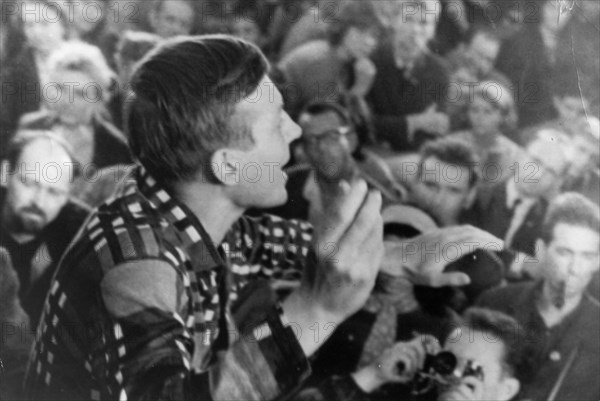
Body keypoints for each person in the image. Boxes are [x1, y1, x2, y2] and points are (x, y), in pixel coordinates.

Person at [478, 193, 600, 401]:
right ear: (541, 251)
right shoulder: (493, 304)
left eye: (587, 256)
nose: (575, 269)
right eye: (565, 253)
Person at [0, 131, 90, 327]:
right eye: (30, 183)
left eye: (54, 192)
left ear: (68, 195)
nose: (38, 202)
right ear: (5, 174)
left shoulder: (83, 234)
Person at [266, 102, 405, 221]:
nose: (321, 148)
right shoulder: (283, 186)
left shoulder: (378, 201)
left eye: (331, 136)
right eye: (311, 140)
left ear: (351, 141)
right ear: (304, 150)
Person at [467, 130, 570, 258]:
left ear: (557, 181)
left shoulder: (550, 223)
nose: (537, 175)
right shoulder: (477, 195)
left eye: (550, 171)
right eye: (536, 161)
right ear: (521, 156)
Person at [367, 0, 451, 152]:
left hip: (414, 156)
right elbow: (364, 123)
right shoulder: (371, 60)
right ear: (394, 21)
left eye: (424, 23)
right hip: (371, 151)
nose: (415, 30)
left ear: (433, 30)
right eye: (409, 20)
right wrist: (415, 122)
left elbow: (437, 128)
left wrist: (388, 125)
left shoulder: (439, 71)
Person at [278, 1, 382, 120]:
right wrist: (360, 89)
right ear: (343, 28)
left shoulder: (345, 60)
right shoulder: (322, 61)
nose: (370, 42)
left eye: (374, 36)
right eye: (360, 32)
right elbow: (326, 123)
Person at [452, 82, 523, 186]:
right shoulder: (452, 143)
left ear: (502, 116)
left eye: (488, 112)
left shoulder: (515, 154)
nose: (479, 117)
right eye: (474, 110)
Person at [406, 137, 479, 227]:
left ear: (469, 197)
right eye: (430, 186)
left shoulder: (477, 240)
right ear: (414, 183)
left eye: (453, 191)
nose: (437, 201)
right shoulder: (385, 227)